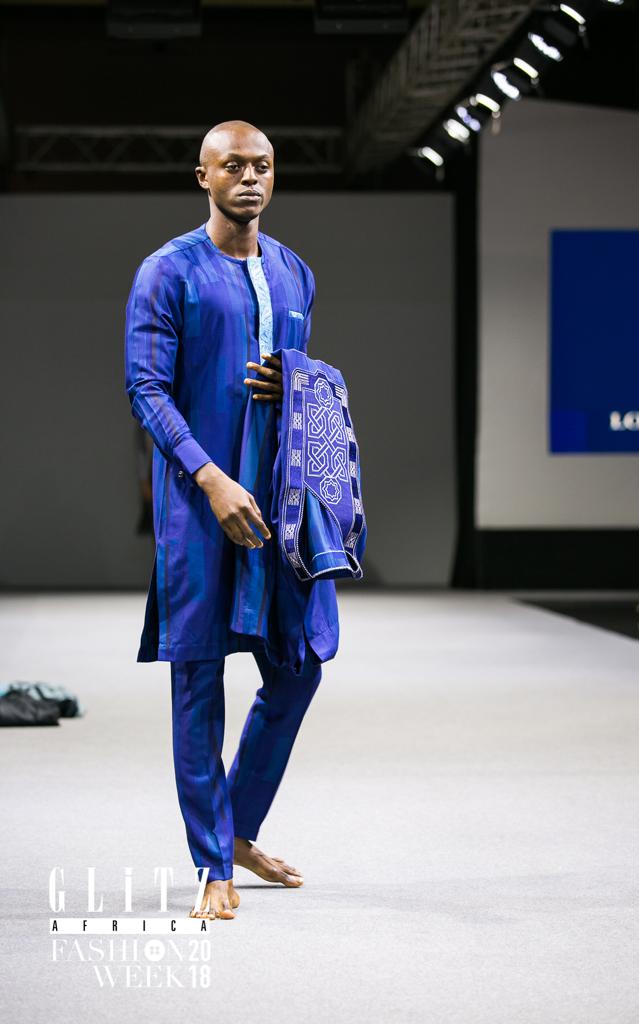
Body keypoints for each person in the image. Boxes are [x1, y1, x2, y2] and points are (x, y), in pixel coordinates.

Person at [124, 120, 339, 920]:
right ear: (203, 176)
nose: (250, 178)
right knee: (197, 678)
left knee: (300, 665)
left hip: (280, 505)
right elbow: (146, 388)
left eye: (263, 167)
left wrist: (304, 382)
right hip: (200, 504)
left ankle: (238, 828)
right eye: (234, 166)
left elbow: (303, 378)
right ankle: (213, 862)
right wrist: (210, 480)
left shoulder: (294, 271)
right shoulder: (167, 272)